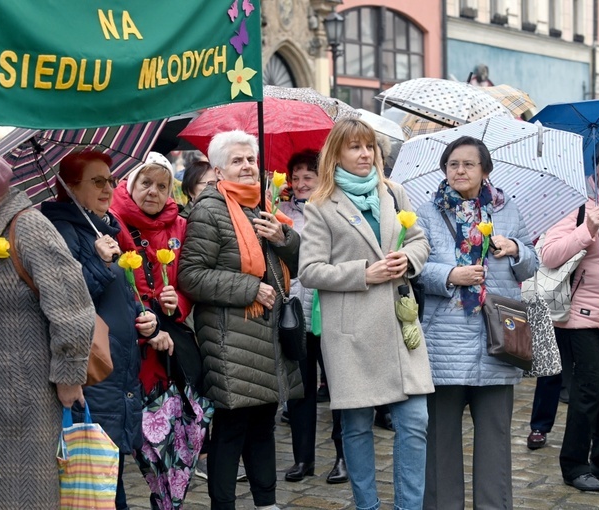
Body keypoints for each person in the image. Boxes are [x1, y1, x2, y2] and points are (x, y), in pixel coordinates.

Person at [0, 148, 96, 510]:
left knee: (24, 495)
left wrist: (69, 378)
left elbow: (73, 309)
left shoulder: (28, 227)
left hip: (27, 397)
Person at [299, 118, 433, 510]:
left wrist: (406, 258)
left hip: (398, 325)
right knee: (356, 427)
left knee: (415, 422)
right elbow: (310, 271)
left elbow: (421, 239)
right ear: (336, 154)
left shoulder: (393, 191)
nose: (364, 154)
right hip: (352, 331)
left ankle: (409, 506)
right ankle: (367, 505)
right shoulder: (321, 205)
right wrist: (364, 273)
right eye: (355, 147)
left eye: (369, 147)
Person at [177, 130, 302, 510]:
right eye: (237, 161)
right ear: (218, 170)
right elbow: (191, 275)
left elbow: (297, 264)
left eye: (251, 159)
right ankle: (224, 504)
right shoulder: (209, 209)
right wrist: (248, 288)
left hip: (268, 335)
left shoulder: (265, 206)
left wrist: (283, 237)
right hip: (230, 336)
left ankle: (266, 502)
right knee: (232, 428)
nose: (247, 166)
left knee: (263, 424)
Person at [417, 135, 538, 509]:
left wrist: (516, 249)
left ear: (485, 170)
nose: (460, 170)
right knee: (440, 440)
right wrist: (451, 275)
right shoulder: (426, 212)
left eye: (469, 164)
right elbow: (415, 267)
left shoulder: (506, 210)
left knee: (495, 438)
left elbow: (532, 262)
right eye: (453, 164)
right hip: (444, 339)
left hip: (497, 339)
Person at [41, 151, 159, 510]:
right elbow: (67, 300)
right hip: (92, 371)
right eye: (96, 181)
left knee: (108, 472)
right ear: (69, 186)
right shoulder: (61, 230)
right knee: (99, 479)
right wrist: (100, 261)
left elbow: (118, 294)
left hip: (117, 371)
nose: (108, 188)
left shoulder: (103, 226)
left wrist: (145, 317)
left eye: (110, 180)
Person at [109, 151, 201, 507]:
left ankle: (168, 497)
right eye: (145, 183)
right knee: (144, 433)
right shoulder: (112, 223)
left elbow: (188, 282)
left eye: (162, 185)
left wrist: (177, 299)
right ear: (131, 184)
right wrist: (144, 314)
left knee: (177, 428)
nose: (153, 191)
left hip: (170, 340)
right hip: (136, 343)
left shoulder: (180, 224)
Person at [540, 141, 599, 492]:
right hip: (579, 314)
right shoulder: (578, 206)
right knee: (588, 390)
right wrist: (586, 230)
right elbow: (549, 254)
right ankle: (574, 463)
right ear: (597, 167)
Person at [279, 150, 348, 485]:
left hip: (331, 312)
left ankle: (343, 456)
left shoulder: (337, 211)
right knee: (301, 391)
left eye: (310, 176)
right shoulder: (280, 214)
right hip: (296, 314)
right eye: (297, 176)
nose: (302, 183)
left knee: (340, 389)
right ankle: (302, 458)